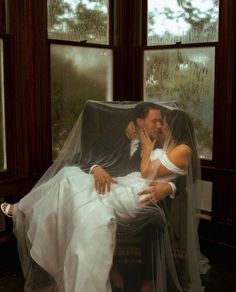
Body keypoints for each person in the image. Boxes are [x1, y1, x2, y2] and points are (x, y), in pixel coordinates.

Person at [1, 101, 203, 292]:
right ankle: (22, 207)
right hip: (126, 183)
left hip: (137, 190)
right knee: (68, 174)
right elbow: (85, 157)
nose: (160, 126)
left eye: (163, 122)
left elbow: (175, 173)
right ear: (139, 122)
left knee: (78, 197)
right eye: (156, 121)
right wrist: (95, 167)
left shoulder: (167, 147)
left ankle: (22, 208)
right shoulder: (120, 136)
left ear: (173, 127)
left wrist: (169, 186)